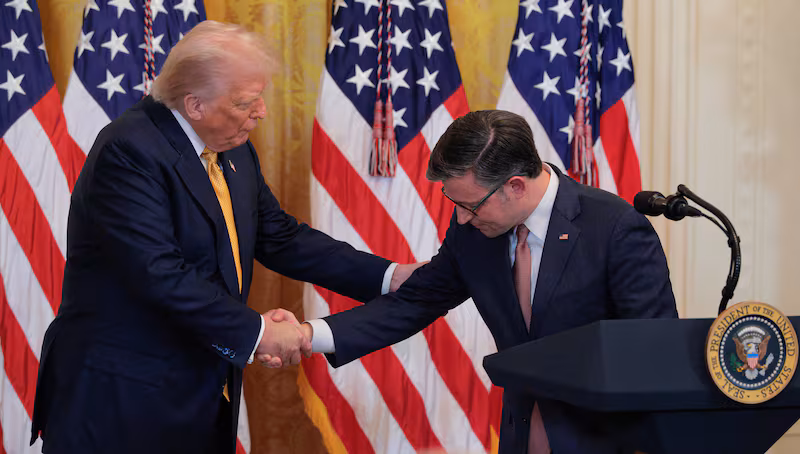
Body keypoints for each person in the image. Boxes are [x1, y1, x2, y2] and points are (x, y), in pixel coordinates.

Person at [30, 21, 419, 454]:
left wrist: (389, 276)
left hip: (201, 389)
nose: (262, 113)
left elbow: (280, 237)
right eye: (245, 103)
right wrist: (257, 332)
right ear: (194, 104)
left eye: (260, 98)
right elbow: (159, 274)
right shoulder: (129, 150)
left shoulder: (229, 143)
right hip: (122, 401)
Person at [288, 110, 678, 453]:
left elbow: (651, 348)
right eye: (453, 203)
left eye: (470, 206)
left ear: (516, 186)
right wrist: (309, 335)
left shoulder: (614, 227)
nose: (460, 219)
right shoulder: (474, 231)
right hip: (519, 435)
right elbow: (415, 301)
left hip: (604, 439)